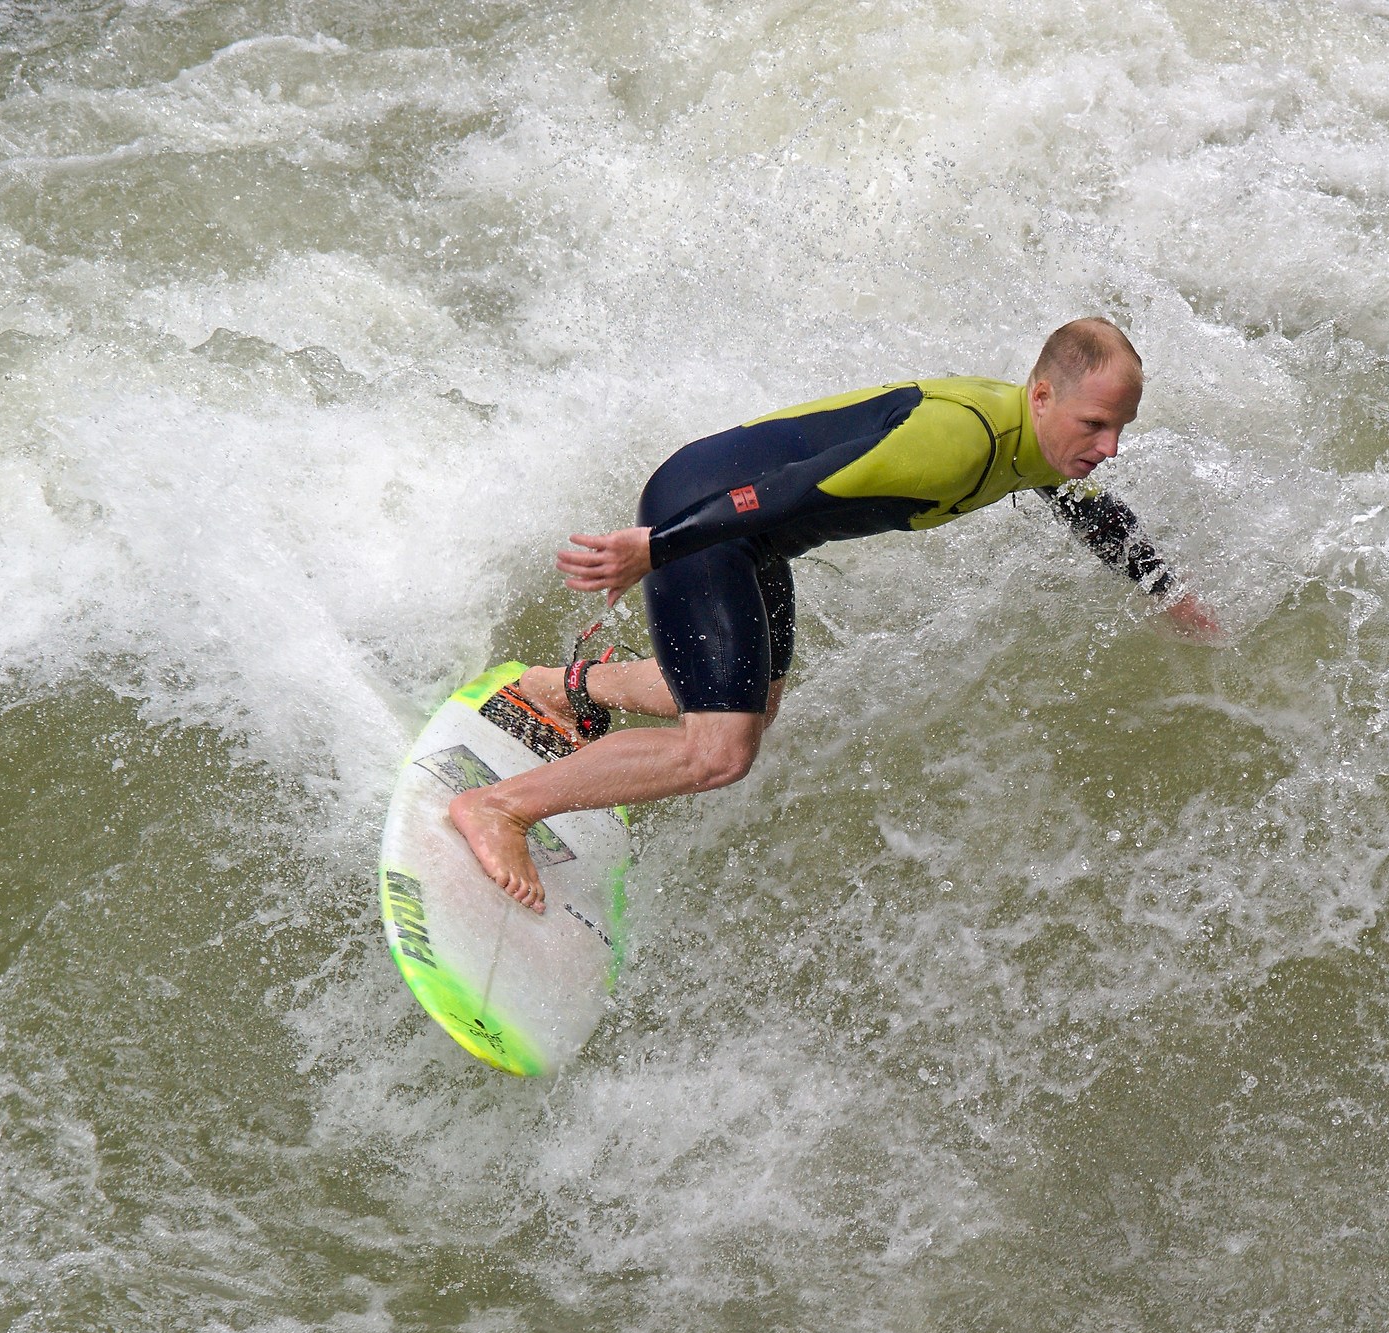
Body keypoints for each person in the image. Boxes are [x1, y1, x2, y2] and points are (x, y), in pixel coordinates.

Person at [449, 317, 1218, 911]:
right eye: (1096, 426)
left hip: (746, 538)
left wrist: (1170, 594)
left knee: (757, 705)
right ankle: (498, 809)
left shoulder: (1036, 441)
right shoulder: (960, 442)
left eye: (1120, 428)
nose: (1110, 446)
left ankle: (562, 690)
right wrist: (658, 546)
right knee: (719, 752)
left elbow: (1094, 513)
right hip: (711, 515)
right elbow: (788, 491)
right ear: (1043, 395)